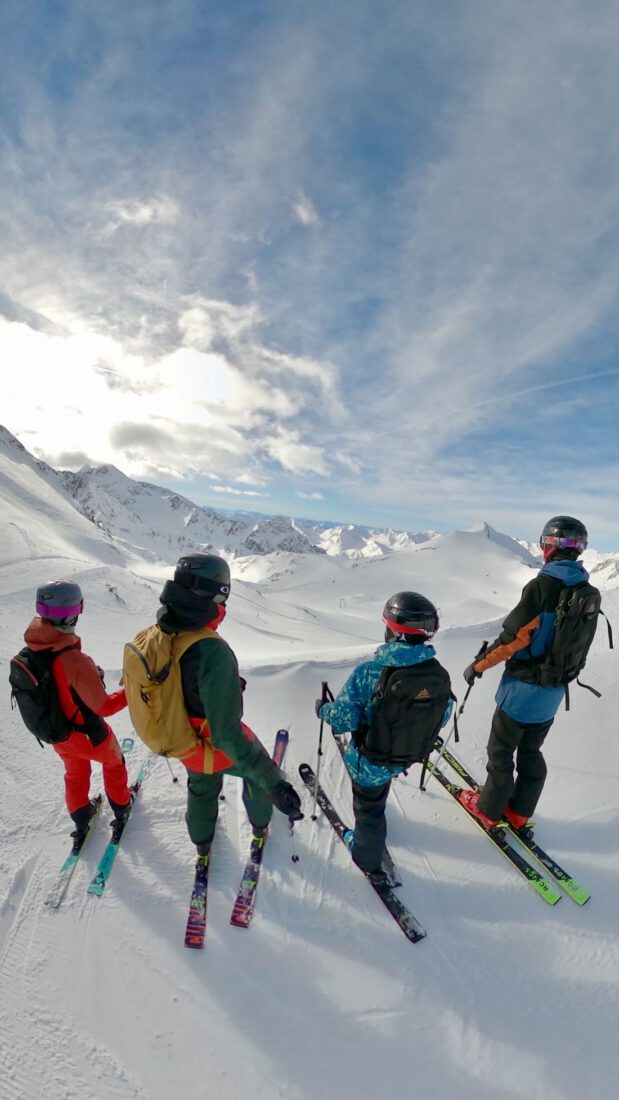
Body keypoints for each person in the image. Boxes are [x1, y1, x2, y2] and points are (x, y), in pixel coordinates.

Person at [154, 553, 303, 859]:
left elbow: (179, 679)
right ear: (215, 595)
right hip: (212, 741)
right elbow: (226, 735)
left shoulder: (163, 629)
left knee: (201, 786)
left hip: (181, 739)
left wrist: (224, 685)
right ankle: (260, 826)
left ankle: (202, 842)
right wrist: (274, 783)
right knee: (256, 770)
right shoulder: (211, 650)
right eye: (224, 596)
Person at [459, 515, 591, 829]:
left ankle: (489, 810)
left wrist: (477, 666)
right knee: (531, 751)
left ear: (548, 546)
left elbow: (513, 638)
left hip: (521, 692)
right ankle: (519, 812)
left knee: (500, 752)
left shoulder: (542, 588)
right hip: (553, 692)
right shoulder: (585, 590)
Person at [316, 592, 453, 884]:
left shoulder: (370, 672)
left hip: (370, 760)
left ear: (395, 631)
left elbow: (343, 719)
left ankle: (367, 858)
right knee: (379, 789)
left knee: (369, 809)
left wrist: (323, 710)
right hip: (407, 754)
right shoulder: (437, 673)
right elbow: (443, 715)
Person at [25, 580, 132, 851]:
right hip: (89, 735)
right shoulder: (75, 660)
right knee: (114, 763)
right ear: (74, 613)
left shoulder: (32, 650)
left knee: (75, 774)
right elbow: (104, 707)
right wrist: (131, 692)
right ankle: (122, 809)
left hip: (59, 735)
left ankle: (82, 819)